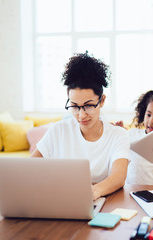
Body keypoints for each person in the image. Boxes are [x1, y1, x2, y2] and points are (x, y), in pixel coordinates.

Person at [31, 52, 130, 200]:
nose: (81, 115)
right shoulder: (58, 130)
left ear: (102, 101)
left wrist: (93, 192)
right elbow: (28, 168)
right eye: (75, 106)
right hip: (58, 200)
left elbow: (118, 177)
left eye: (89, 106)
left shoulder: (118, 135)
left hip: (98, 202)